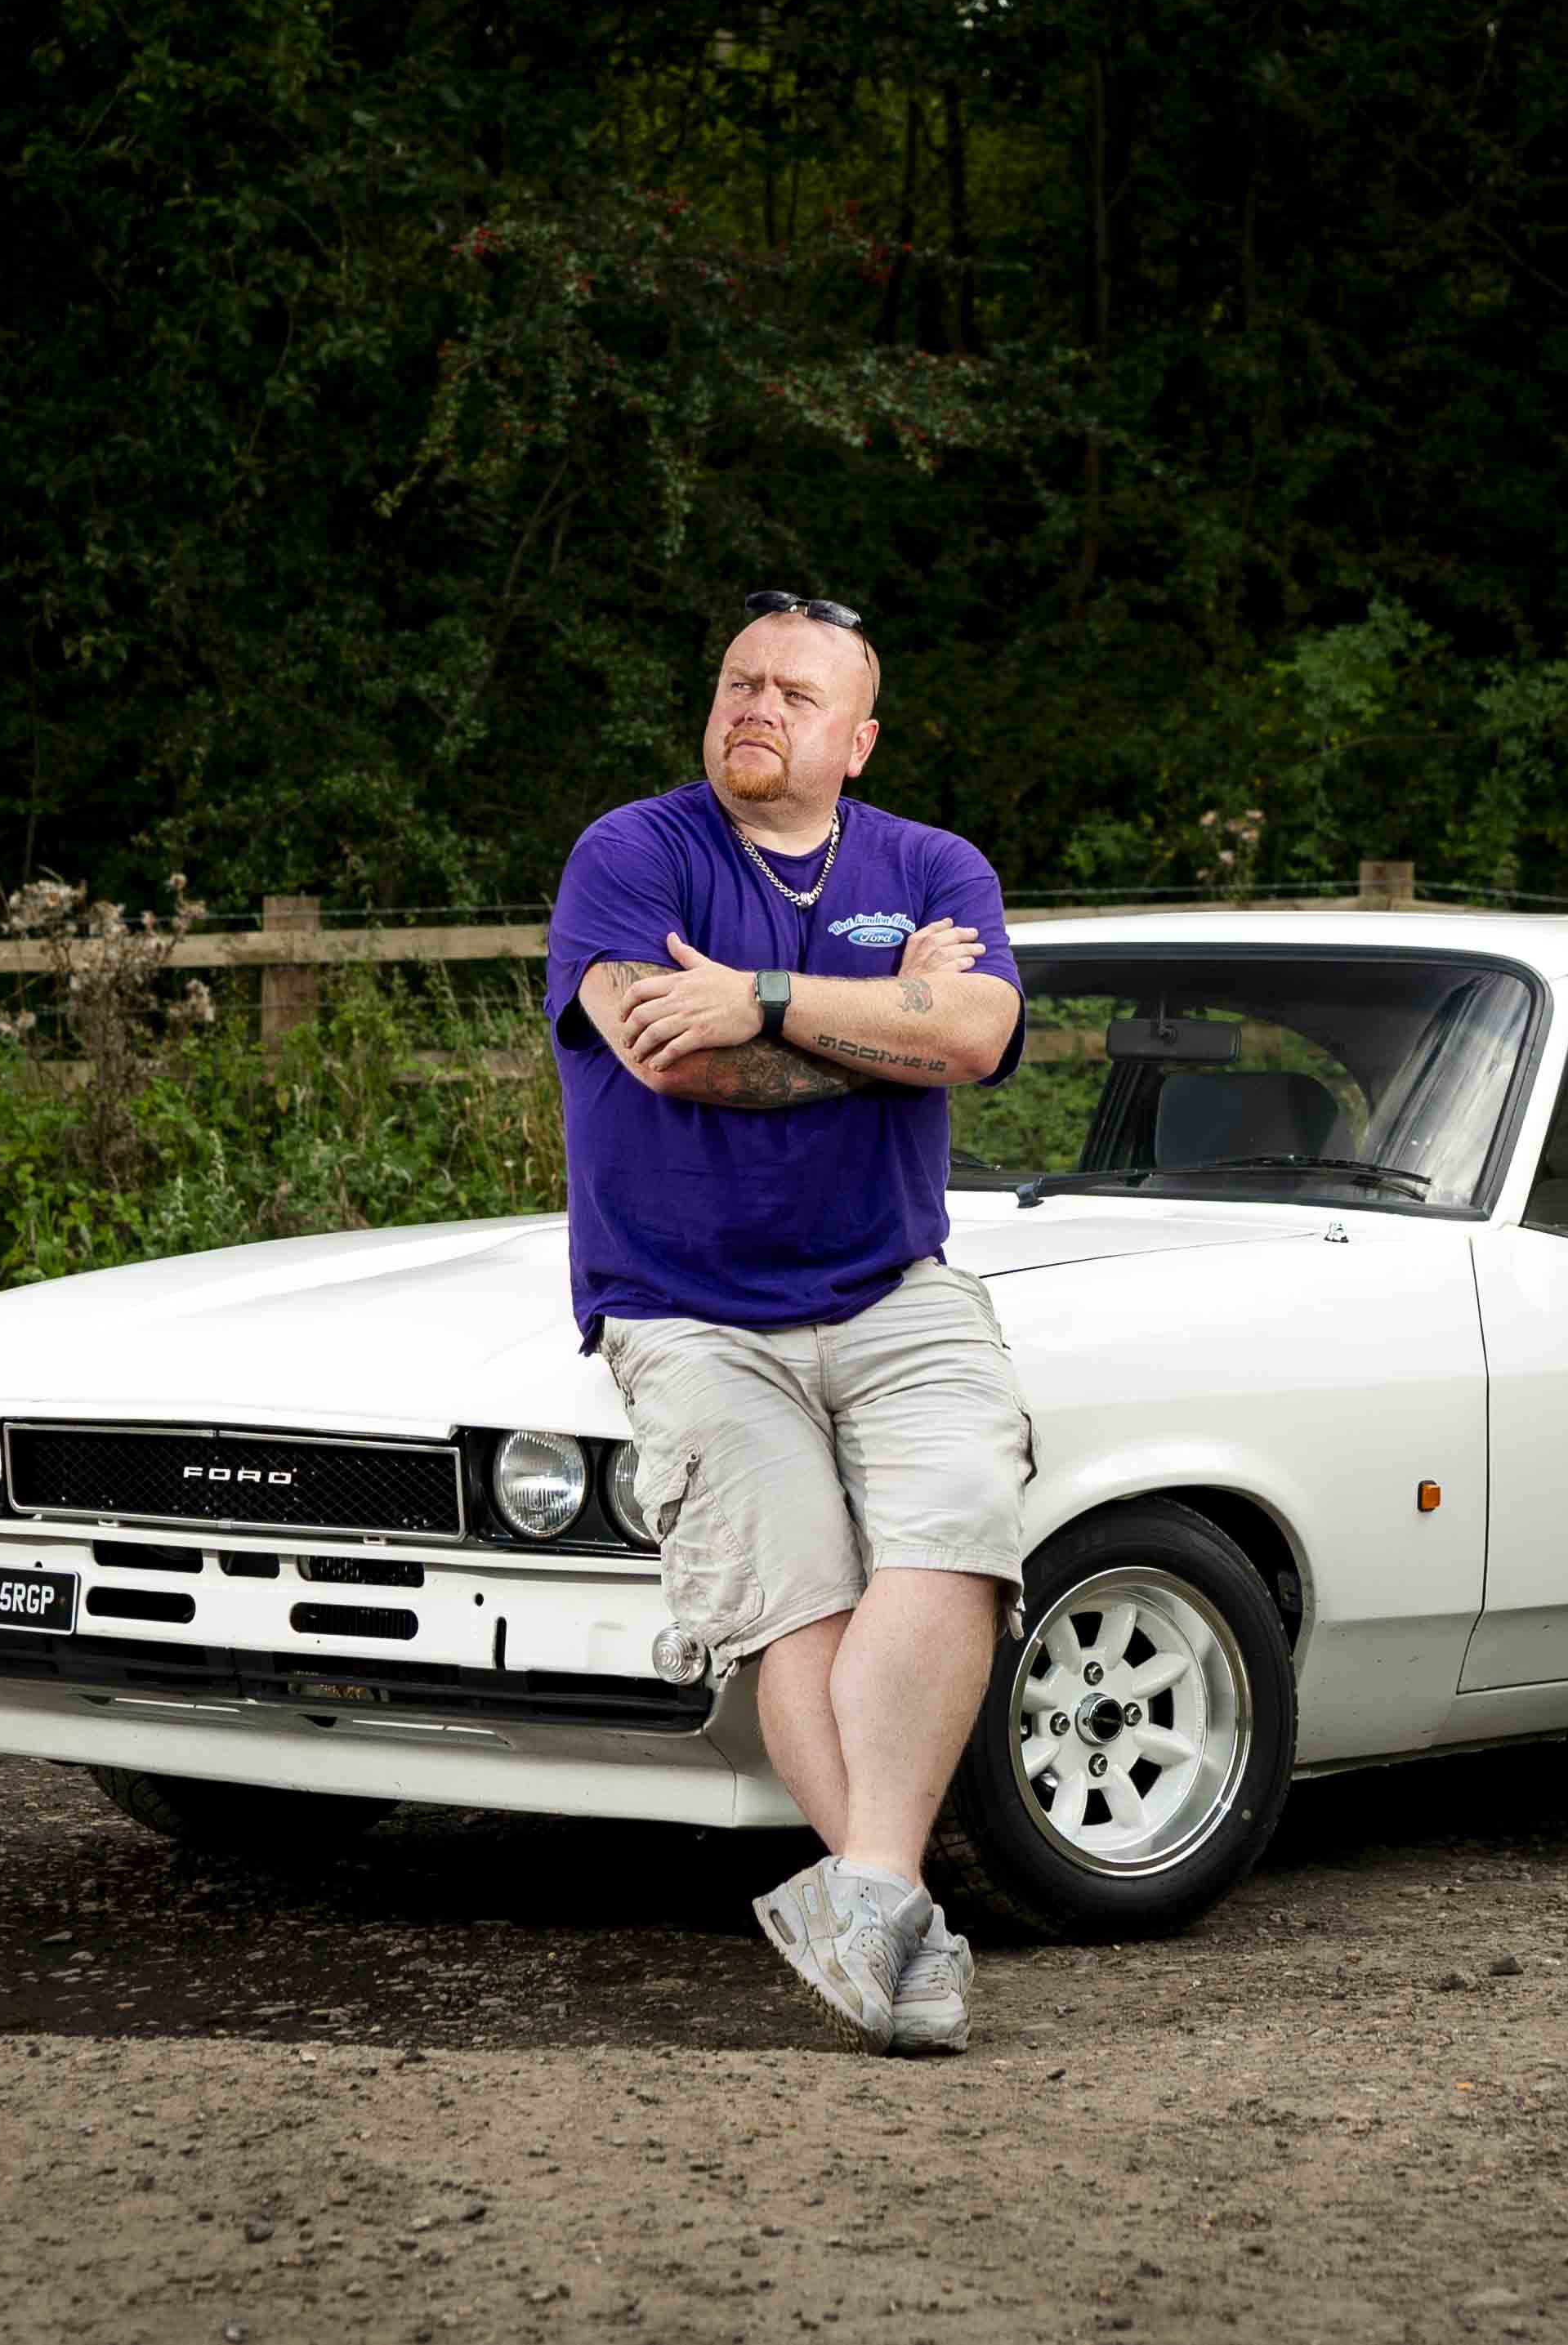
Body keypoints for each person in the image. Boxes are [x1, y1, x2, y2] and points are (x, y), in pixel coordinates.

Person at [543, 590, 1031, 2055]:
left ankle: (871, 1894)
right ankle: (903, 1916)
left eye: (795, 693)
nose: (757, 704)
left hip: (895, 1289)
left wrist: (759, 994)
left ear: (857, 739)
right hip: (688, 1314)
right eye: (739, 681)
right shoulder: (634, 853)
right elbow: (671, 1060)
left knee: (956, 1529)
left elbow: (981, 1035)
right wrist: (890, 1023)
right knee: (795, 1600)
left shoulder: (930, 862)